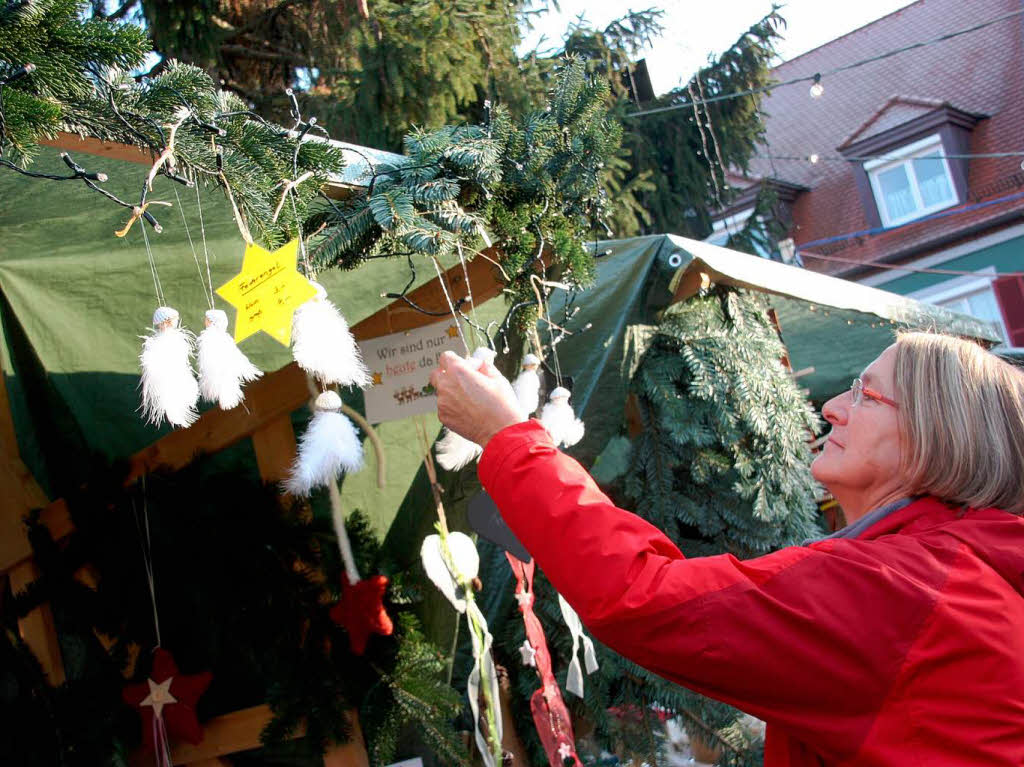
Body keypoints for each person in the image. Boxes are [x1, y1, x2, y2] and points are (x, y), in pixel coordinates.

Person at [429, 331, 1024, 767]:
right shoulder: (952, 575)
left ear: (937, 433)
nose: (832, 408)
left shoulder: (907, 587)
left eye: (867, 396)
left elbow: (645, 596)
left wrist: (510, 440)